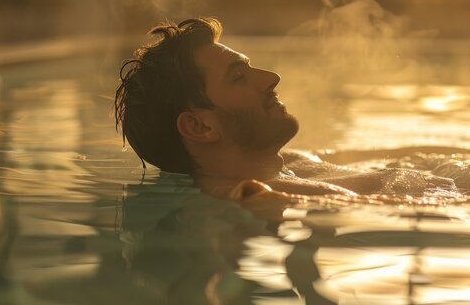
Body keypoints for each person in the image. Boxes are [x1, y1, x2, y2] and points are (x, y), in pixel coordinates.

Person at [114, 17, 451, 200]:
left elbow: (402, 154)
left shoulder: (285, 163)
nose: (272, 78)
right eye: (239, 77)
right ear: (200, 127)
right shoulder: (256, 194)